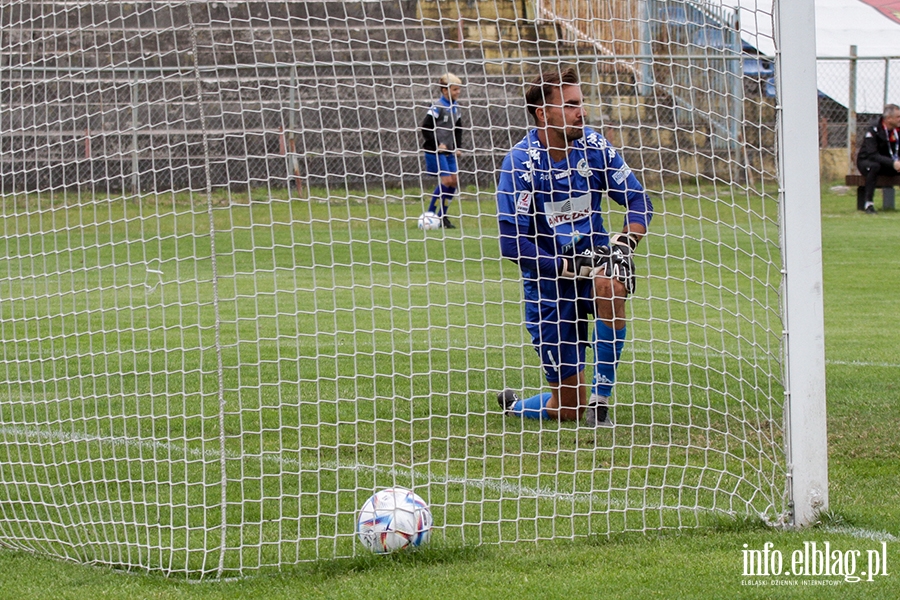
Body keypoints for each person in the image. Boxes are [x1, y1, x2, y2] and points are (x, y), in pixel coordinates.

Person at [494, 66, 653, 427]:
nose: (581, 112)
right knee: (568, 409)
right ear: (542, 113)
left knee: (609, 284)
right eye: (569, 105)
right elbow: (511, 242)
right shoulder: (520, 163)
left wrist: (625, 244)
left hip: (593, 267)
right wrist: (565, 267)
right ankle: (517, 406)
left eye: (581, 103)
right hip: (549, 287)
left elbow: (639, 201)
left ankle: (601, 400)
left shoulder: (594, 147)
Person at [421, 72, 465, 229]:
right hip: (436, 151)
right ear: (445, 91)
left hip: (450, 151)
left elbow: (458, 129)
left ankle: (442, 216)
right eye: (455, 89)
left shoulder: (456, 107)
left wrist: (457, 147)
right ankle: (431, 214)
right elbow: (426, 127)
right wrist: (438, 144)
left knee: (453, 182)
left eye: (459, 89)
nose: (458, 92)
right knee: (446, 181)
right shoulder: (438, 106)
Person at [857, 103, 900, 214]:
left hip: (888, 163)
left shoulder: (897, 130)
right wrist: (893, 163)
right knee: (874, 167)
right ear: (889, 119)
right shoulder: (874, 129)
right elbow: (873, 155)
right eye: (898, 117)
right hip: (867, 162)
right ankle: (868, 204)